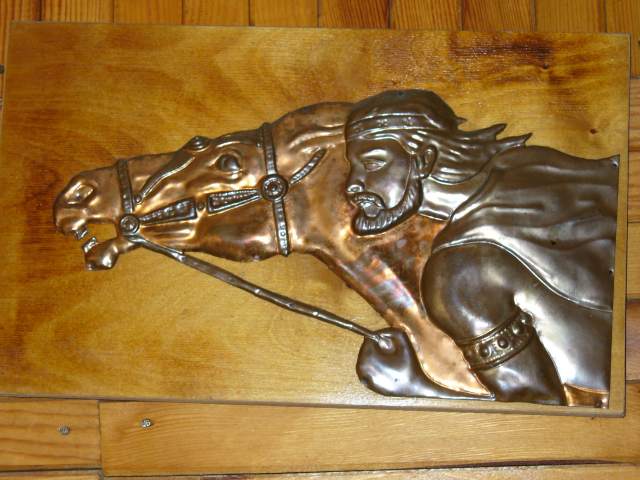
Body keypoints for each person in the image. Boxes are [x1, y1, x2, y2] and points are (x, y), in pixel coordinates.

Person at [345, 90, 618, 406]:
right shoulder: (534, 167)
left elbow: (538, 409)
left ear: (423, 160)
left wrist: (415, 386)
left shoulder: (458, 274)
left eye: (372, 163)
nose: (352, 184)